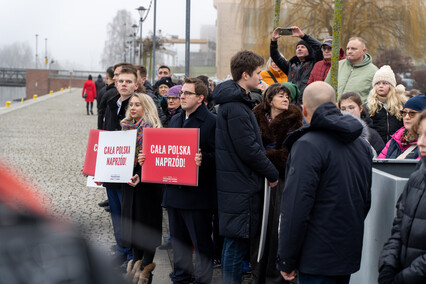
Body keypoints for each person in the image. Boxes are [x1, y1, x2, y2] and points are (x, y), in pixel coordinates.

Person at [277, 81, 372, 284]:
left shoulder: (306, 146)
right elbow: (365, 199)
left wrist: (286, 258)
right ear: (336, 107)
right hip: (346, 252)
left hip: (315, 257)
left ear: (304, 110)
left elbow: (295, 208)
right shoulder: (360, 144)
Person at [212, 50, 279, 284]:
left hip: (236, 181)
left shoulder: (235, 103)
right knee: (235, 242)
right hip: (239, 184)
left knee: (235, 240)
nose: (261, 77)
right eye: (258, 73)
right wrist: (272, 173)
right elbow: (248, 149)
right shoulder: (237, 107)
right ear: (244, 75)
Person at [161, 77, 217, 283]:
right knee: (179, 242)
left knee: (201, 244)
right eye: (181, 93)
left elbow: (220, 156)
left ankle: (202, 280)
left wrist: (205, 159)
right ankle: (181, 278)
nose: (181, 96)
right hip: (174, 192)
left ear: (200, 98)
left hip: (198, 196)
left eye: (187, 93)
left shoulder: (212, 122)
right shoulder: (175, 119)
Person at [253, 83, 303, 283]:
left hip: (281, 179)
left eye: (288, 97)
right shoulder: (256, 117)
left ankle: (274, 275)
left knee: (275, 225)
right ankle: (257, 271)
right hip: (257, 179)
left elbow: (291, 153)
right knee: (259, 227)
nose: (285, 99)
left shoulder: (295, 121)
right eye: (281, 95)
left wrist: (263, 157)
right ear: (269, 99)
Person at [378, 109, 426, 284]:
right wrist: (387, 266)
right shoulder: (416, 178)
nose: (421, 142)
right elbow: (398, 229)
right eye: (420, 135)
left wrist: (402, 279)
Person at [120, 93, 163, 284]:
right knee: (133, 226)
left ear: (146, 107)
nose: (133, 107)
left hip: (149, 187)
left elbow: (159, 162)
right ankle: (135, 266)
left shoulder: (154, 130)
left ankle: (146, 272)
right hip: (130, 184)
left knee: (147, 226)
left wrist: (142, 173)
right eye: (131, 104)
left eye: (138, 104)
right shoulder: (125, 128)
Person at [102, 65, 139, 266]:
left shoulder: (139, 105)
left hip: (129, 170)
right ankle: (121, 249)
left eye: (128, 81)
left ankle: (132, 253)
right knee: (116, 213)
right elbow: (105, 135)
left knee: (129, 215)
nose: (124, 84)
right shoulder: (110, 103)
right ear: (116, 83)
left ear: (136, 84)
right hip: (111, 167)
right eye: (121, 81)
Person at [270, 26, 323, 104]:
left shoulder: (314, 63)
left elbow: (319, 48)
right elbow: (275, 56)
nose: (299, 49)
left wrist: (303, 36)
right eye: (297, 47)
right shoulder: (290, 65)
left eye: (303, 47)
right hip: (291, 103)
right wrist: (273, 41)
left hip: (306, 102)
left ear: (309, 51)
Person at [378, 95, 426, 159]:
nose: (406, 117)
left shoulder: (423, 143)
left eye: (412, 113)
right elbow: (380, 164)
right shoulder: (396, 138)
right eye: (404, 113)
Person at [365, 65, 404, 143]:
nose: (381, 86)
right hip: (375, 146)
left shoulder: (399, 106)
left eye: (385, 83)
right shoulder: (368, 106)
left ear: (391, 86)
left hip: (395, 146)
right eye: (378, 83)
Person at [339, 92, 385, 156]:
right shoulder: (334, 133)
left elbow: (380, 159)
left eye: (351, 108)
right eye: (343, 109)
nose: (347, 112)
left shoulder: (372, 135)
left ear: (360, 108)